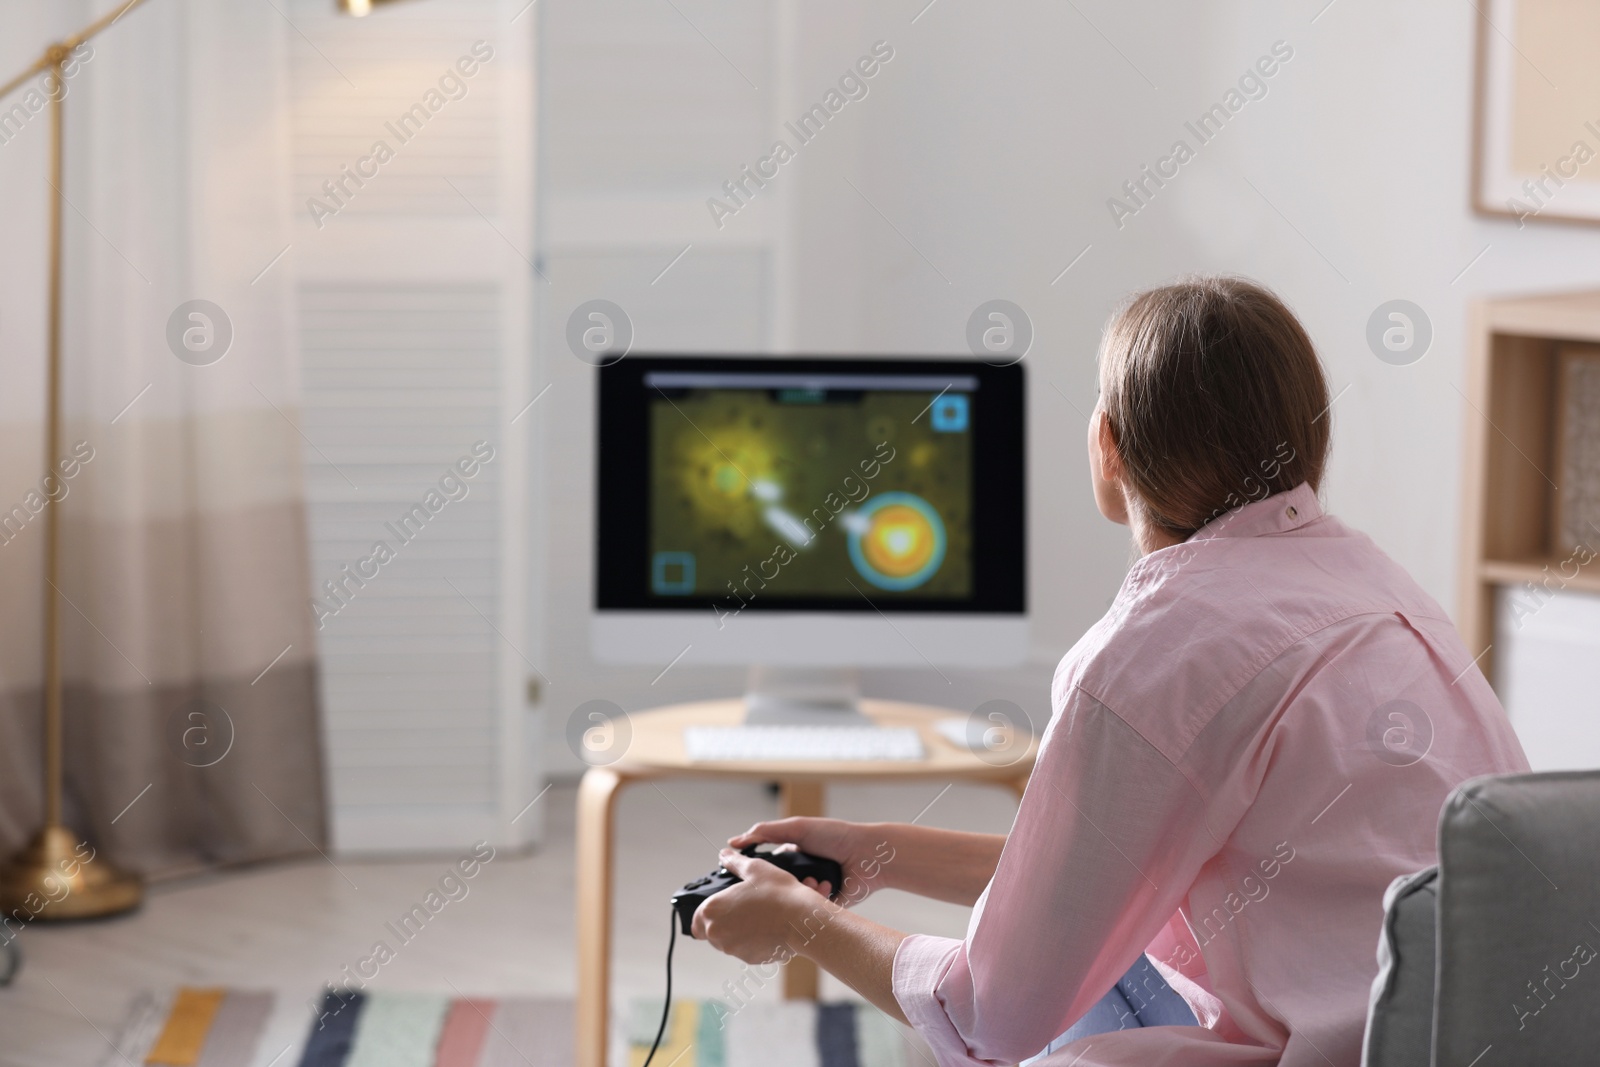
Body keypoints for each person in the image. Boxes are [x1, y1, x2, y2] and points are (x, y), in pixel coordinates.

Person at [690, 276, 1529, 1066]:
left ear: (1108, 445)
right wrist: (878, 852)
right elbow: (1103, 875)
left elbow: (993, 1014)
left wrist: (804, 925)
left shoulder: (1155, 653)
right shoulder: (1386, 591)